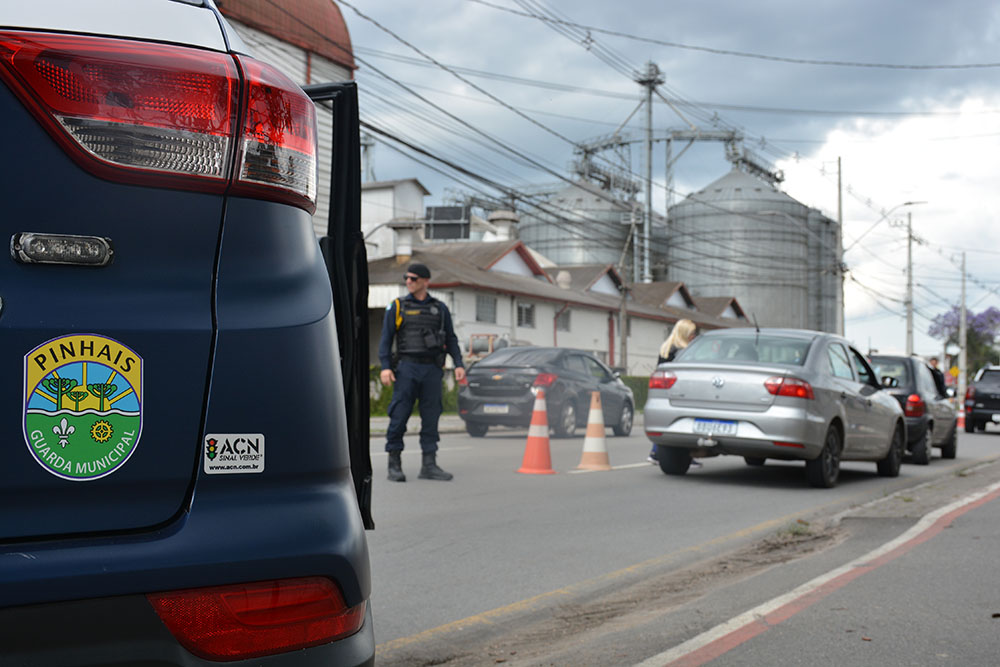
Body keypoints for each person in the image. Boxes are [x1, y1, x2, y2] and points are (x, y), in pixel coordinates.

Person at [379, 263, 466, 482]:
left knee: (431, 417)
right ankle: (394, 464)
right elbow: (386, 339)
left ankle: (429, 465)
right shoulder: (398, 306)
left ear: (426, 281)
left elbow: (451, 339)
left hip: (432, 369)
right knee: (399, 415)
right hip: (407, 368)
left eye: (413, 278)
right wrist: (386, 367)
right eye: (406, 278)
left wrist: (459, 364)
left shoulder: (440, 309)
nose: (408, 281)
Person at [649, 319, 699, 465]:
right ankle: (685, 457)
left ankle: (655, 452)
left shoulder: (665, 347)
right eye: (692, 333)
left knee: (666, 424)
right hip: (682, 391)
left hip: (665, 390)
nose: (694, 337)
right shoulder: (684, 352)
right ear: (685, 334)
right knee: (685, 423)